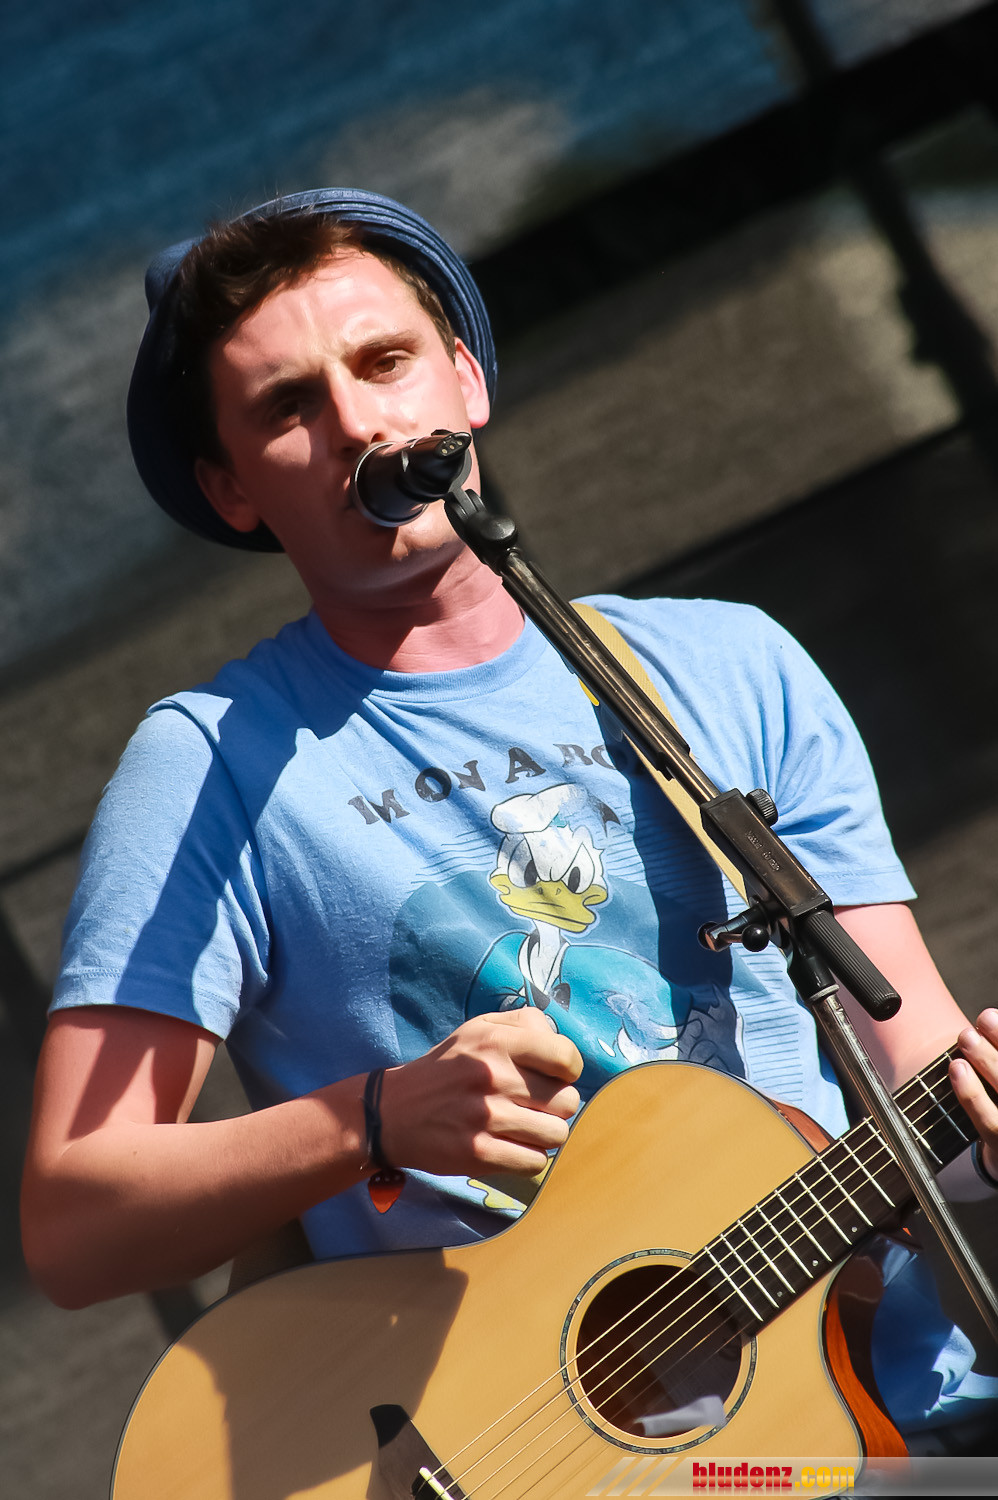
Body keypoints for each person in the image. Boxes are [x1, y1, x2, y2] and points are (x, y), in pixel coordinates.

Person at [19, 189, 998, 1443]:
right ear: (231, 488)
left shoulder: (729, 667)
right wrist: (376, 1117)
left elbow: (914, 1078)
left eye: (383, 362)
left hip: (886, 1419)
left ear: (465, 383)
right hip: (505, 1448)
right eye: (288, 405)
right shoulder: (210, 763)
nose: (357, 422)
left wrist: (981, 1133)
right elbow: (78, 1224)